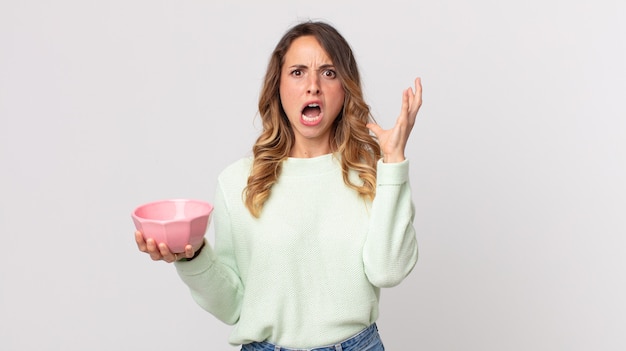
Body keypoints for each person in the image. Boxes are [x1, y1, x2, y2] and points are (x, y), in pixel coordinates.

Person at [135, 20, 422, 350]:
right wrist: (192, 256)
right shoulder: (238, 182)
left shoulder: (372, 176)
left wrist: (394, 161)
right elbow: (232, 305)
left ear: (345, 89)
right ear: (278, 88)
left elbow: (388, 272)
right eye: (298, 72)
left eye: (328, 72)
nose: (312, 85)